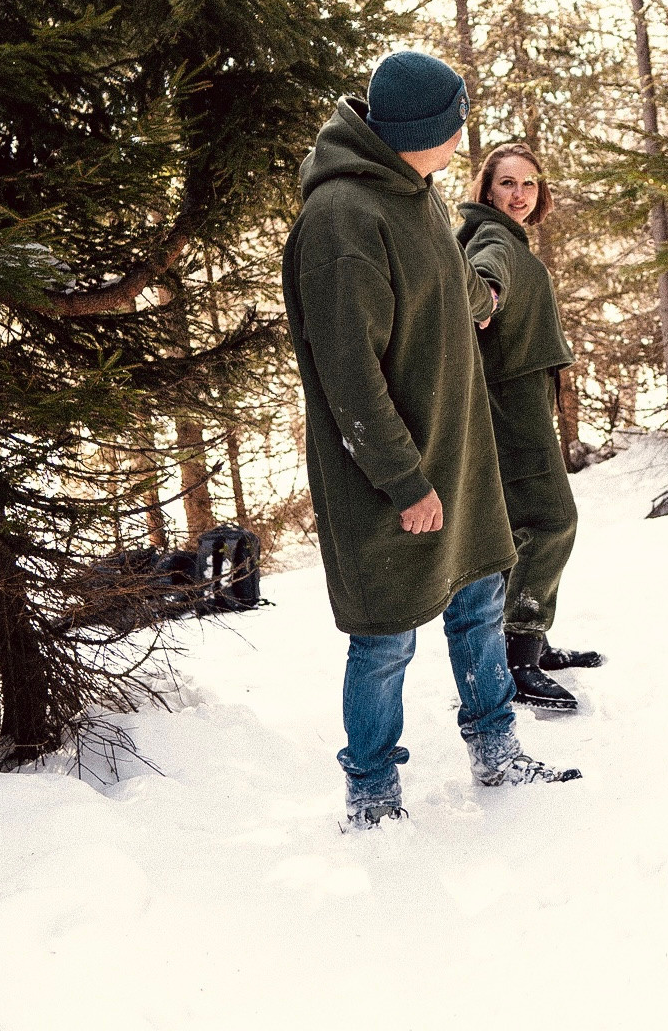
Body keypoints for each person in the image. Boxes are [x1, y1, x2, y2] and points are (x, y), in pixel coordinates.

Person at [282, 53, 579, 830]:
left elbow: (447, 305)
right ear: (427, 129)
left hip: (460, 454)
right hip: (394, 476)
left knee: (480, 600)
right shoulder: (344, 220)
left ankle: (496, 748)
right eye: (457, 119)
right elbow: (349, 376)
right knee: (385, 638)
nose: (463, 133)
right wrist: (405, 481)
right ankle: (373, 795)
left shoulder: (414, 193)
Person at [458, 143, 604, 714]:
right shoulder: (493, 240)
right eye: (507, 183)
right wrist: (484, 299)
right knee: (551, 519)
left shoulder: (495, 235)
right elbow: (483, 286)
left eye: (530, 184)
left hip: (513, 396)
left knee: (526, 522)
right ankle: (519, 657)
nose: (519, 195)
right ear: (487, 189)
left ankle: (531, 643)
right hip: (508, 403)